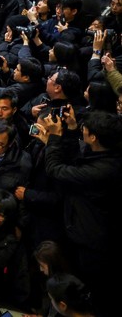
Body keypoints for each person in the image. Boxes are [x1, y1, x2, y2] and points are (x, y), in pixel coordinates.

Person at [35, 110, 122, 315]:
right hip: (86, 233)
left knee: (94, 295)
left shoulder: (104, 169)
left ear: (93, 137)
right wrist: (73, 129)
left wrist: (55, 138)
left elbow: (56, 169)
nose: (82, 129)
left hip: (94, 243)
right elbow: (78, 157)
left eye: (85, 129)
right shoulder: (103, 153)